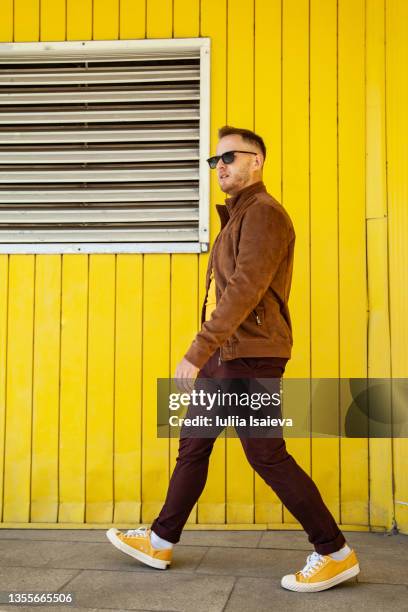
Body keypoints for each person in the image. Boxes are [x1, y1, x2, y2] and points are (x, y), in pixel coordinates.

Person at [107, 125, 360, 593]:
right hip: (228, 355)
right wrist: (208, 351)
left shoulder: (264, 213)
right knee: (195, 443)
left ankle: (334, 552)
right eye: (215, 161)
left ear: (256, 161)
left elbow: (246, 288)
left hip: (248, 357)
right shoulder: (239, 216)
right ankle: (161, 539)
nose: (219, 166)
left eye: (229, 157)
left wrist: (197, 349)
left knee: (266, 454)